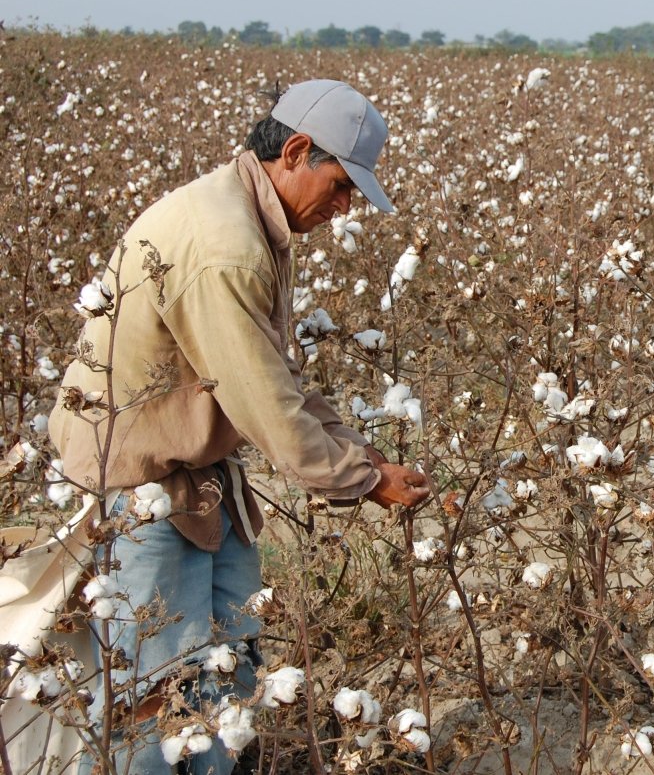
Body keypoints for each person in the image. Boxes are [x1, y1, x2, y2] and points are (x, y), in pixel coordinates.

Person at [48, 79, 429, 774]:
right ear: (296, 150)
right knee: (154, 694)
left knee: (226, 666)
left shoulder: (251, 221)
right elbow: (264, 403)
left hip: (192, 480)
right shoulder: (226, 245)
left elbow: (273, 375)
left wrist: (361, 453)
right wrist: (363, 480)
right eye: (341, 186)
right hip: (142, 491)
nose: (344, 209)